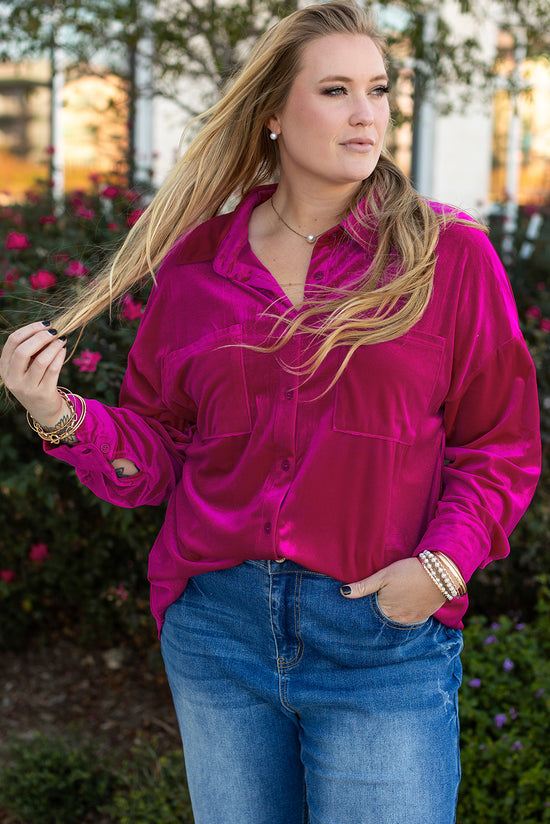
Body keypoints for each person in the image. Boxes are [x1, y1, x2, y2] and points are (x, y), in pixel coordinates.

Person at [0, 2, 541, 822]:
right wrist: (58, 412)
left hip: (380, 642)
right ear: (273, 117)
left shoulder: (447, 256)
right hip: (218, 636)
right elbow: (158, 458)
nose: (368, 114)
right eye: (335, 90)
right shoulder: (193, 265)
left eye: (379, 90)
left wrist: (439, 569)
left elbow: (498, 446)